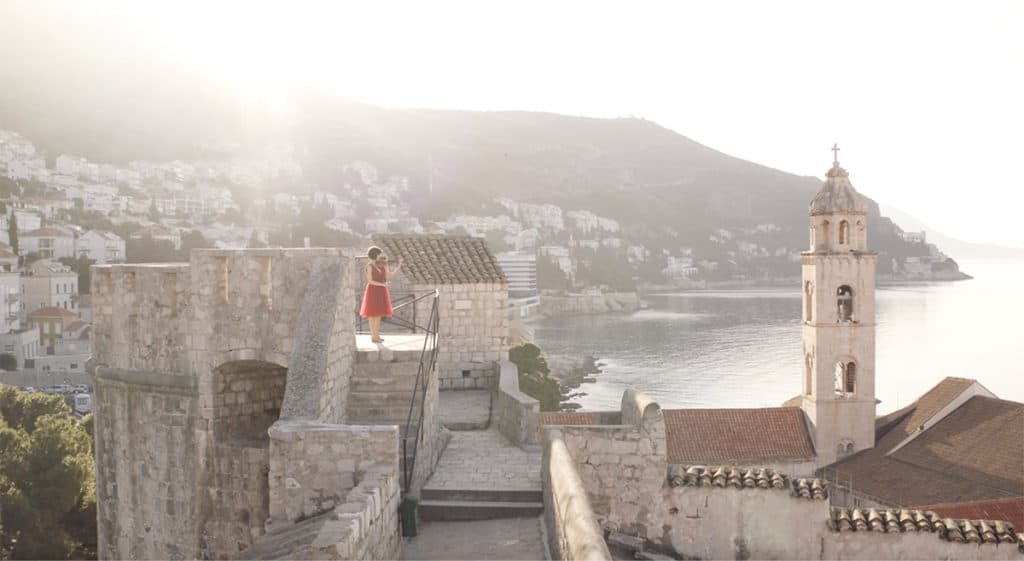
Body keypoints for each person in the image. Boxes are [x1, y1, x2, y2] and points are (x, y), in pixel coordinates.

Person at [359, 246, 401, 343]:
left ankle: (376, 336)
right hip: (372, 290)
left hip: (381, 291)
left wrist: (398, 268)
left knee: (377, 315)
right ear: (375, 255)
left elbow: (389, 275)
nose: (380, 256)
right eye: (379, 254)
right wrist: (383, 284)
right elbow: (370, 281)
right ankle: (374, 336)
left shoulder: (382, 264)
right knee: (372, 314)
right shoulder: (369, 266)